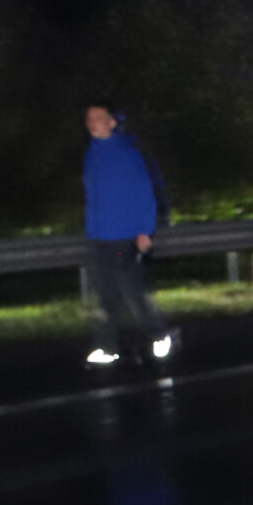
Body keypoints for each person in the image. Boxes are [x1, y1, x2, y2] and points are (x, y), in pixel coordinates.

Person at [82, 103, 175, 368]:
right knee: (106, 293)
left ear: (112, 122)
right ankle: (107, 348)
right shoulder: (92, 154)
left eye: (99, 118)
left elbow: (144, 194)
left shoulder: (127, 154)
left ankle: (159, 335)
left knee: (130, 289)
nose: (92, 122)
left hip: (125, 237)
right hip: (99, 238)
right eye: (89, 118)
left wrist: (145, 231)